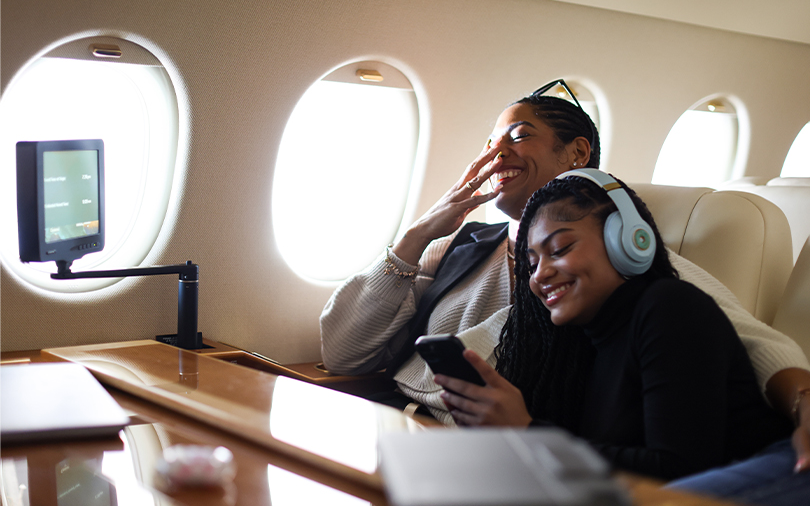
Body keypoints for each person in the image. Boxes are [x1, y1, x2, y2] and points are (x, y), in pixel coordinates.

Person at [319, 80, 810, 468]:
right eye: (490, 143)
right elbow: (343, 352)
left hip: (489, 458)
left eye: (518, 136)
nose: (497, 154)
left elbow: (753, 342)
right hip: (397, 430)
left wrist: (804, 403)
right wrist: (418, 235)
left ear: (577, 154)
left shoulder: (625, 265)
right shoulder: (456, 247)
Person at [436, 170, 792, 480]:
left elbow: (680, 470)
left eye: (559, 249)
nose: (540, 274)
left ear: (628, 241)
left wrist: (526, 432)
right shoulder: (578, 343)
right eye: (532, 263)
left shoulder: (670, 307)